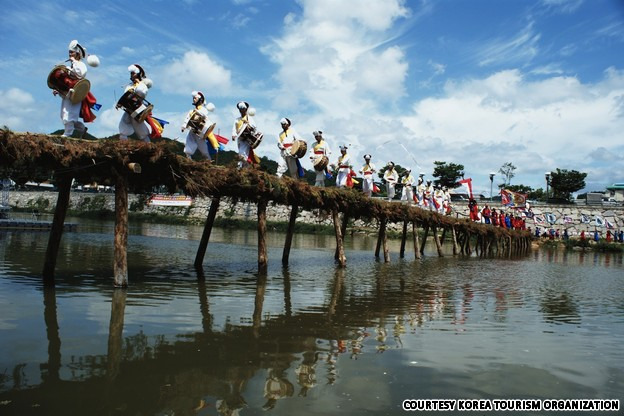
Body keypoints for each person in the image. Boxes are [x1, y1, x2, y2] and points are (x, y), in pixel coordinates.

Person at [54, 40, 98, 138]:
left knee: (70, 114)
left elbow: (80, 74)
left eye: (72, 52)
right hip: (68, 93)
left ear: (77, 53)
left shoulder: (80, 64)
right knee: (64, 114)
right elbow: (65, 82)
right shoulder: (71, 66)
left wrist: (74, 62)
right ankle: (82, 129)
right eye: (69, 52)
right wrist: (58, 89)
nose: (70, 54)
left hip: (76, 92)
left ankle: (68, 134)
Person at [118, 64, 153, 142]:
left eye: (133, 73)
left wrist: (139, 83)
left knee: (138, 125)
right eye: (131, 73)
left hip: (138, 109)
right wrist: (120, 103)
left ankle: (148, 145)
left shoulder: (142, 85)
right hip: (129, 108)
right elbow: (126, 96)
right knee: (124, 122)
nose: (131, 75)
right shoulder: (130, 85)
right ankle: (123, 143)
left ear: (138, 74)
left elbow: (141, 93)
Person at [181, 91, 214, 161]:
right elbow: (187, 119)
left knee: (204, 150)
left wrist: (199, 113)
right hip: (192, 131)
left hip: (200, 132)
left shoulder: (204, 110)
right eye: (193, 98)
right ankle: (188, 160)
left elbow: (203, 116)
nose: (193, 99)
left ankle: (208, 161)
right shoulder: (191, 111)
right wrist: (184, 126)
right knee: (188, 145)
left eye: (195, 98)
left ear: (200, 100)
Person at [231, 101, 257, 168]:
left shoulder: (250, 118)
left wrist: (248, 125)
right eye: (240, 109)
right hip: (240, 138)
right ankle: (246, 167)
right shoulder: (237, 120)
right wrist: (233, 135)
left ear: (246, 109)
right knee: (243, 152)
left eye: (243, 109)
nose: (241, 110)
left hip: (247, 139)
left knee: (242, 153)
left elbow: (254, 128)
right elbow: (234, 128)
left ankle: (239, 167)